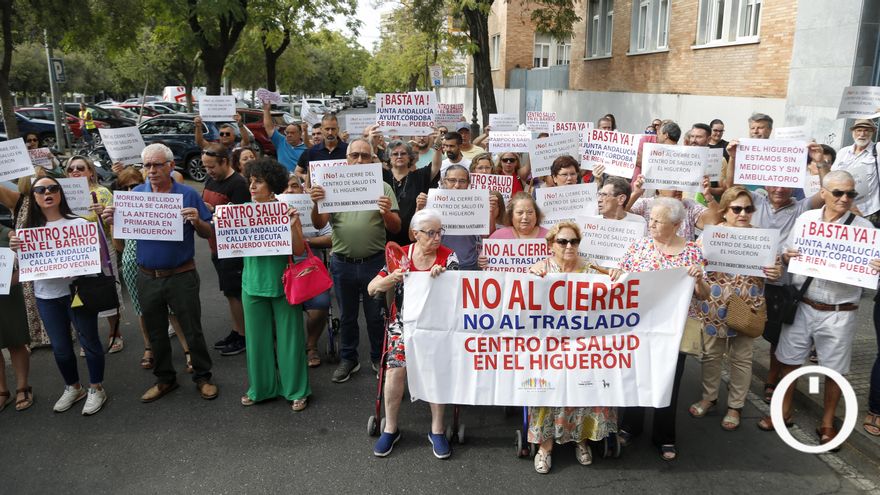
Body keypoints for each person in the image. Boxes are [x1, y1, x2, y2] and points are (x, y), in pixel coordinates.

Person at [759, 171, 880, 447]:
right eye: (838, 192)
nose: (845, 198)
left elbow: (871, 273)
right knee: (789, 361)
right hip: (803, 306)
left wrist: (876, 268)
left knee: (834, 371)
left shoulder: (864, 229)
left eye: (850, 193)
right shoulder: (806, 220)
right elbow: (787, 254)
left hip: (840, 311)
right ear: (823, 192)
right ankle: (783, 412)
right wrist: (787, 256)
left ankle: (827, 422)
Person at [101, 143, 218, 403]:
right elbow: (121, 241)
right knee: (155, 331)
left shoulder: (187, 194)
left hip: (181, 274)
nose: (151, 170)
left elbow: (208, 232)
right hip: (147, 276)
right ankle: (165, 379)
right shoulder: (135, 195)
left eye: (157, 165)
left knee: (192, 329)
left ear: (171, 166)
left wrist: (197, 221)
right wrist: (113, 221)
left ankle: (203, 376)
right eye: (147, 165)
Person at [609, 197, 710, 460]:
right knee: (636, 376)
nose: (651, 225)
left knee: (669, 381)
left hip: (673, 331)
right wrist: (616, 273)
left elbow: (704, 295)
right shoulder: (639, 247)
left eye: (658, 221)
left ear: (676, 225)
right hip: (639, 328)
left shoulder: (692, 252)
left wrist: (699, 279)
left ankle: (664, 436)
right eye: (650, 219)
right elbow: (621, 277)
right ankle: (630, 426)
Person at [9, 177, 109, 415]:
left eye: (53, 188)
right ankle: (73, 387)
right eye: (40, 190)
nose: (47, 193)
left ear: (60, 193)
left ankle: (96, 387)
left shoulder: (79, 223)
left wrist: (81, 262)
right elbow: (24, 267)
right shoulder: (27, 232)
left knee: (89, 342)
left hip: (78, 293)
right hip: (47, 296)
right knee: (61, 348)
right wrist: (15, 249)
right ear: (34, 197)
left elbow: (98, 259)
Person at [688, 187, 781, 431]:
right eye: (737, 209)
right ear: (725, 210)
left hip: (747, 308)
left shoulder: (762, 238)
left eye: (748, 209)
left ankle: (735, 406)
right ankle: (709, 397)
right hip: (713, 306)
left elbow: (775, 269)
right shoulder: (711, 236)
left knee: (741, 359)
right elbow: (695, 263)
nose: (743, 214)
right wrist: (698, 268)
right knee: (711, 355)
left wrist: (775, 272)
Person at [368, 208, 459, 458]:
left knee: (435, 369)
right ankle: (390, 428)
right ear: (416, 234)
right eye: (430, 233)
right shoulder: (401, 256)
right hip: (403, 322)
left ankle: (437, 429)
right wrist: (393, 278)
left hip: (437, 324)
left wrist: (444, 278)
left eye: (440, 232)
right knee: (395, 369)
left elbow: (458, 293)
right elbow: (372, 288)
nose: (437, 237)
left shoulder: (448, 257)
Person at [310, 137, 401, 383]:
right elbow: (319, 224)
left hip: (374, 263)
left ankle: (378, 357)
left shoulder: (383, 187)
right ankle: (348, 359)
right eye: (354, 155)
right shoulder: (331, 186)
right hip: (342, 263)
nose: (359, 160)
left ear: (372, 159)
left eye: (365, 155)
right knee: (347, 316)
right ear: (347, 159)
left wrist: (386, 213)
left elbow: (395, 227)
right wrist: (316, 203)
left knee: (375, 316)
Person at [526, 221, 614, 473]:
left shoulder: (591, 269)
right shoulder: (541, 269)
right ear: (551, 245)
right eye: (562, 241)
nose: (568, 246)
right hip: (551, 348)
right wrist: (532, 275)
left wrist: (616, 274)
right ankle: (545, 448)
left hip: (583, 346)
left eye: (574, 241)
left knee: (584, 388)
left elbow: (615, 292)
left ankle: (581, 440)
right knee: (548, 390)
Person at [239, 158, 310, 411]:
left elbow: (299, 250)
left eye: (258, 182)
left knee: (291, 339)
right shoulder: (240, 211)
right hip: (252, 283)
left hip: (283, 283)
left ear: (272, 186)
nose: (252, 186)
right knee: (256, 341)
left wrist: (293, 225)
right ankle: (261, 389)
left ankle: (296, 390)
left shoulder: (285, 210)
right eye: (250, 181)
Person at [112, 167, 193, 373]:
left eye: (133, 185)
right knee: (142, 309)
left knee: (172, 310)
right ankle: (149, 347)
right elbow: (119, 245)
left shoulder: (156, 202)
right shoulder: (120, 209)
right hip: (133, 263)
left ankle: (188, 349)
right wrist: (113, 222)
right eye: (124, 187)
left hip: (162, 263)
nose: (130, 190)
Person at [65, 155, 124, 354]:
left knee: (107, 289)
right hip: (74, 252)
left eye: (80, 168)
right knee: (79, 294)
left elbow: (116, 222)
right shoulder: (61, 195)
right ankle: (87, 337)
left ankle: (115, 333)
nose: (75, 171)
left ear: (91, 172)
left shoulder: (102, 192)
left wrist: (104, 213)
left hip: (101, 248)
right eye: (71, 169)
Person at [201, 144, 251, 357]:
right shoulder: (211, 180)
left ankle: (245, 336)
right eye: (205, 167)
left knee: (236, 293)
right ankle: (236, 329)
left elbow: (242, 219)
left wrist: (215, 210)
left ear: (224, 161)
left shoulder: (238, 184)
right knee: (229, 293)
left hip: (233, 250)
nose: (208, 171)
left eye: (211, 166)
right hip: (216, 246)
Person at [284, 174, 333, 368]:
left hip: (309, 270)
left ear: (302, 189)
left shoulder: (312, 208)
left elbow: (331, 238)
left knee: (321, 305)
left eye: (294, 186)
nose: (290, 190)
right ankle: (288, 349)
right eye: (285, 187)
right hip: (282, 271)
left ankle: (311, 345)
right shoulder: (270, 210)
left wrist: (303, 242)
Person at [0, 222, 33, 412]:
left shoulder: (9, 235)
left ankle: (23, 387)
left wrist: (6, 282)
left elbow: (26, 265)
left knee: (15, 341)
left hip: (8, 296)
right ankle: (2, 391)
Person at [382, 139, 440, 246]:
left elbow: (436, 166)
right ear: (389, 157)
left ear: (409, 157)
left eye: (403, 153)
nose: (399, 156)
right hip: (385, 238)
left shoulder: (420, 176)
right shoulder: (382, 176)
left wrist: (438, 147)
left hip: (413, 238)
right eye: (395, 154)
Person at [628, 175, 720, 241]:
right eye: (672, 185)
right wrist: (636, 194)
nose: (678, 189)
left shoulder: (689, 205)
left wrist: (708, 196)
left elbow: (715, 222)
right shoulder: (644, 204)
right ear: (659, 187)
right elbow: (621, 215)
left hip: (683, 259)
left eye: (681, 184)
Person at [830, 119, 880, 223]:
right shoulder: (843, 152)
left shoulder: (878, 150)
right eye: (859, 130)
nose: (862, 134)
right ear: (853, 132)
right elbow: (832, 177)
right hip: (842, 208)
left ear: (872, 132)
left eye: (866, 130)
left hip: (867, 212)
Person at [297, 114, 347, 188]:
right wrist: (307, 189)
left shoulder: (348, 149)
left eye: (333, 129)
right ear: (322, 129)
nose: (330, 132)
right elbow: (309, 175)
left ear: (338, 129)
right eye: (327, 129)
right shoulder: (312, 152)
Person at [262, 102, 307, 172]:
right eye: (287, 133)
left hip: (298, 178)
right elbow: (269, 127)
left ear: (300, 133)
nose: (289, 135)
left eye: (292, 133)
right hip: (282, 177)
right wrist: (266, 110)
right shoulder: (280, 141)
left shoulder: (307, 147)